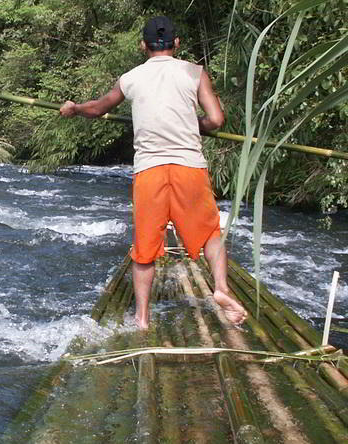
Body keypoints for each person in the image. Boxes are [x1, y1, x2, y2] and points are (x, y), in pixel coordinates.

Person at [59, 16, 247, 329]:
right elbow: (215, 120)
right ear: (176, 44)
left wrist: (74, 108)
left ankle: (142, 318)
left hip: (150, 170)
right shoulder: (194, 72)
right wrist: (191, 124)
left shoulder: (130, 78)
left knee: (144, 247)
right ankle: (222, 290)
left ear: (143, 45)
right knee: (211, 233)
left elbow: (97, 108)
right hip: (189, 166)